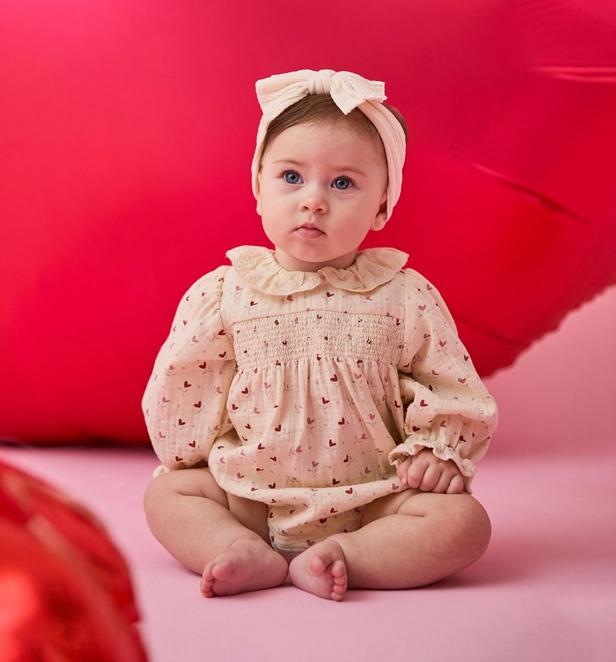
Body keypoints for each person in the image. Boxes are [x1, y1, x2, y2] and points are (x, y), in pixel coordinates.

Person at [141, 68, 499, 602]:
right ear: (257, 187)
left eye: (342, 183)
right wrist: (188, 451)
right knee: (169, 493)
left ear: (382, 206)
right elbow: (186, 381)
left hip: (376, 497)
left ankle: (349, 555)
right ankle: (240, 547)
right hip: (251, 494)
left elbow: (448, 380)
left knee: (464, 523)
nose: (313, 201)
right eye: (291, 177)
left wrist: (440, 451)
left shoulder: (404, 295)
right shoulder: (225, 292)